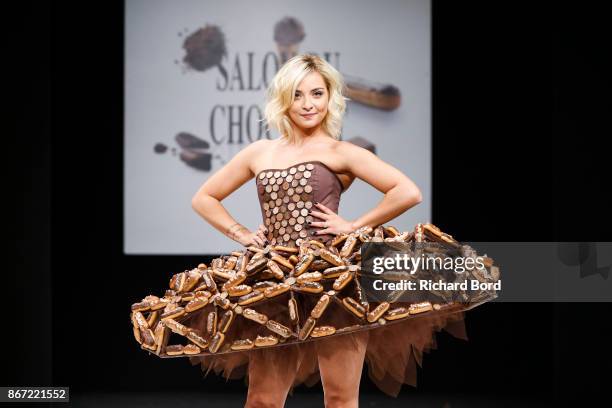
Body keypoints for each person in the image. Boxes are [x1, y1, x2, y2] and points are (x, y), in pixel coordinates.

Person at [189, 54, 467, 407]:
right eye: (298, 94)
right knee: (262, 399)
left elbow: (407, 191)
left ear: (331, 96)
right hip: (275, 284)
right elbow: (205, 197)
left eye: (317, 93)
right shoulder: (260, 151)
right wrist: (241, 234)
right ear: (283, 99)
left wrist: (353, 226)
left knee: (339, 397)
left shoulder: (341, 152)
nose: (308, 104)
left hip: (331, 284)